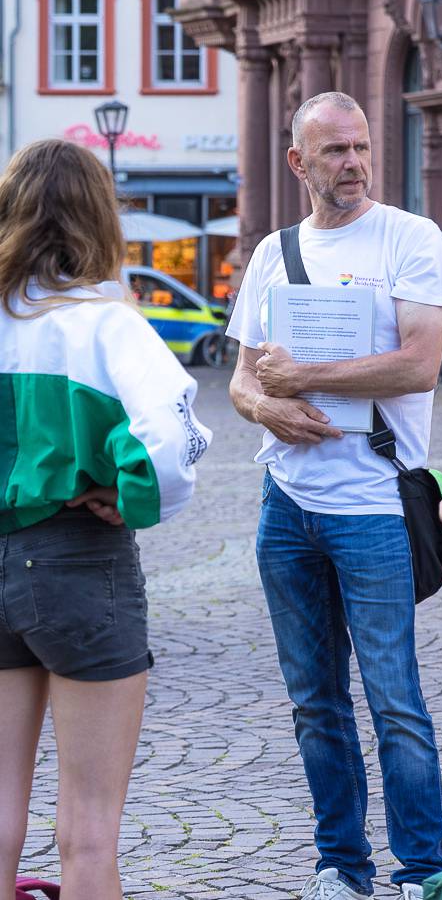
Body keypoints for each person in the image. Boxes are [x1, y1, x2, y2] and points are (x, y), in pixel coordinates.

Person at [226, 92, 442, 900]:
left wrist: (307, 379)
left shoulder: (410, 238)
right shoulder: (272, 253)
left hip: (373, 507)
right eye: (334, 152)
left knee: (396, 699)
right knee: (313, 702)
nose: (353, 163)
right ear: (299, 162)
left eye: (360, 147)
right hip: (286, 505)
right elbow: (240, 380)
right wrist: (267, 407)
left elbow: (420, 365)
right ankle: (342, 868)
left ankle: (422, 872)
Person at [0, 139, 211, 900]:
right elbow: (172, 441)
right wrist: (134, 500)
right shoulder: (104, 321)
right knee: (88, 833)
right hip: (76, 562)